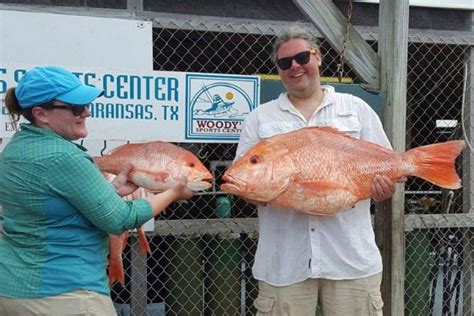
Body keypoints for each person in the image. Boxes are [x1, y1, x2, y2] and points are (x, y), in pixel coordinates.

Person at [0, 66, 194, 316]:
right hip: (64, 295)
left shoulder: (15, 149)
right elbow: (121, 219)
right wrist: (173, 192)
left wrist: (112, 191)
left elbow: (52, 208)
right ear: (41, 114)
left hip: (13, 290)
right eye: (76, 108)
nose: (87, 112)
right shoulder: (63, 156)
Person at [235, 26, 398, 316]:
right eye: (285, 63)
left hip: (351, 258)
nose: (295, 66)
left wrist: (384, 187)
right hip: (284, 264)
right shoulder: (259, 119)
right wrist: (257, 192)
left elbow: (387, 164)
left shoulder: (356, 110)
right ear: (279, 70)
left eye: (301, 57)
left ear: (318, 57)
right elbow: (244, 182)